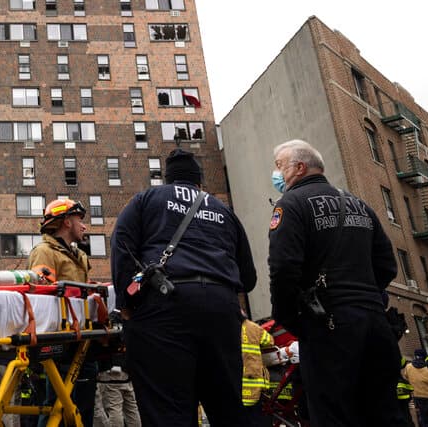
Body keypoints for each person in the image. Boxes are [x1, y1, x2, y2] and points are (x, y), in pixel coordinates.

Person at [111, 148, 256, 427]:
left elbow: (122, 248)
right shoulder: (224, 211)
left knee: (167, 409)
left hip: (164, 307)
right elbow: (248, 277)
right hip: (221, 310)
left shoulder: (145, 200)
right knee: (229, 405)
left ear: (168, 179)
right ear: (200, 182)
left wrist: (127, 303)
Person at [268, 139, 407, 426]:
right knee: (385, 411)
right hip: (375, 324)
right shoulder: (359, 204)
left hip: (328, 327)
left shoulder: (290, 205)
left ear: (299, 167)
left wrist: (291, 319)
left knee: (332, 413)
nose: (276, 173)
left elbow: (283, 269)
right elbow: (387, 265)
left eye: (279, 165)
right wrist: (366, 297)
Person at [27, 198, 95, 427]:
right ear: (66, 222)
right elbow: (41, 298)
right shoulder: (44, 253)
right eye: (79, 220)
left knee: (83, 407)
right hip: (58, 342)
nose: (84, 226)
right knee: (55, 404)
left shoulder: (80, 257)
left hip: (83, 339)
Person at [240, 317, 274, 427]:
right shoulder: (253, 327)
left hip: (237, 384)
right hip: (254, 383)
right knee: (257, 417)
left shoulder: (226, 329)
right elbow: (270, 341)